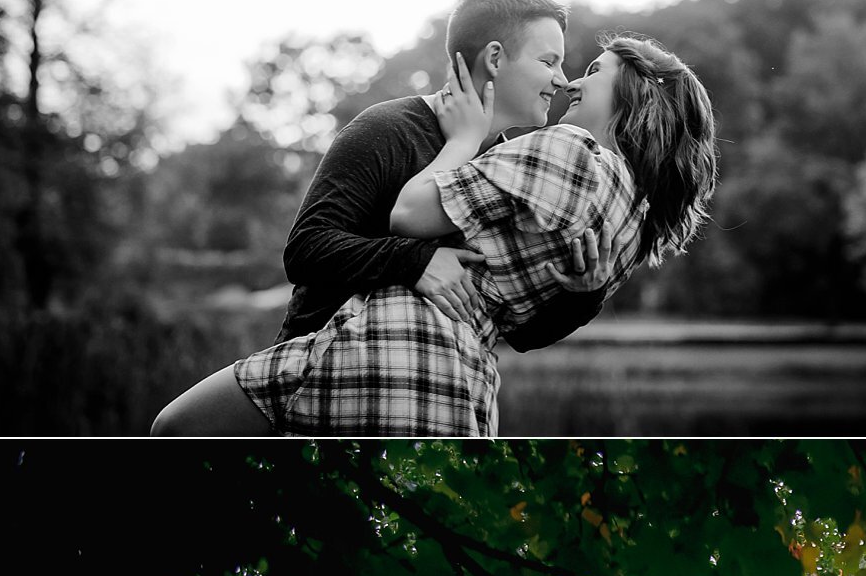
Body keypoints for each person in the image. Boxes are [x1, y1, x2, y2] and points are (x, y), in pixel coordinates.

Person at [153, 32, 715, 436]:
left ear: (635, 94)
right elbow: (523, 327)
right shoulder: (635, 219)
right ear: (496, 57)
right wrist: (583, 296)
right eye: (552, 60)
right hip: (467, 387)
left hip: (384, 345)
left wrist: (461, 142)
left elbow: (409, 214)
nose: (568, 79)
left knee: (176, 429)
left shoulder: (564, 153)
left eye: (591, 70)